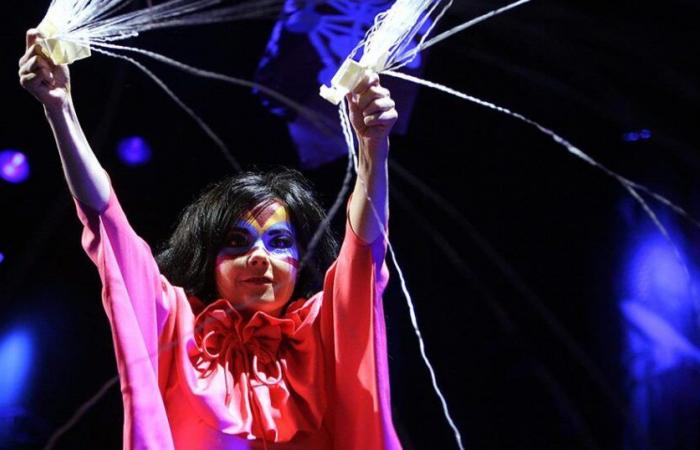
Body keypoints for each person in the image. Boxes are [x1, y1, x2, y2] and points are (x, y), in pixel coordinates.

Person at [19, 28, 402, 450]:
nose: (259, 256)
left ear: (300, 258)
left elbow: (363, 252)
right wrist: (61, 111)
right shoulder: (175, 326)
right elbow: (106, 222)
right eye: (237, 242)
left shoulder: (322, 331)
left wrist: (373, 148)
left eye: (279, 242)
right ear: (209, 259)